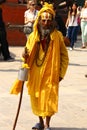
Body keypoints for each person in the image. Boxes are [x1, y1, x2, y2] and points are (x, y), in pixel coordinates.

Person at [22, 2, 69, 130]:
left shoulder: (58, 37)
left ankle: (47, 124)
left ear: (53, 22)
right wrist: (24, 55)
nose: (46, 23)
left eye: (48, 21)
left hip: (51, 74)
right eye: (43, 20)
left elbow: (65, 56)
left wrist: (60, 74)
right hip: (36, 73)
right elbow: (26, 54)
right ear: (39, 21)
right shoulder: (33, 37)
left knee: (49, 98)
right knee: (36, 98)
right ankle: (40, 122)